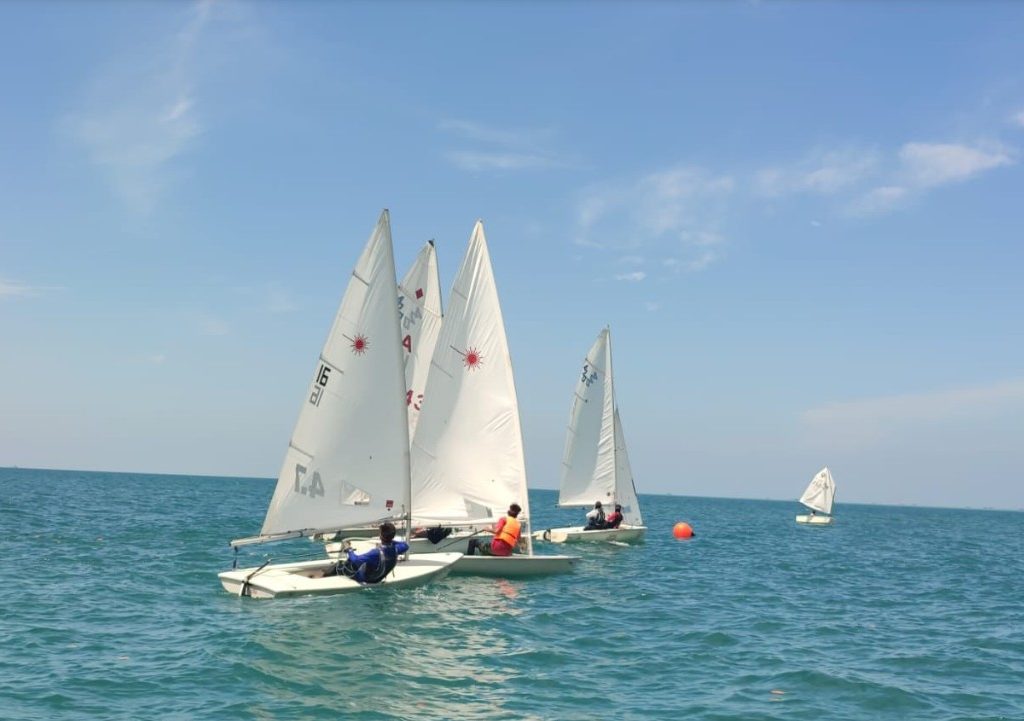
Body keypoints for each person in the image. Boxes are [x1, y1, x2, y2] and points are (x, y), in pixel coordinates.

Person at [325, 521, 408, 584]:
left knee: (339, 564)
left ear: (381, 536)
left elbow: (355, 560)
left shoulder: (375, 553)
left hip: (366, 579)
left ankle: (323, 576)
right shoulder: (396, 549)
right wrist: (389, 540)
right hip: (378, 578)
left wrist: (349, 550)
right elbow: (405, 545)